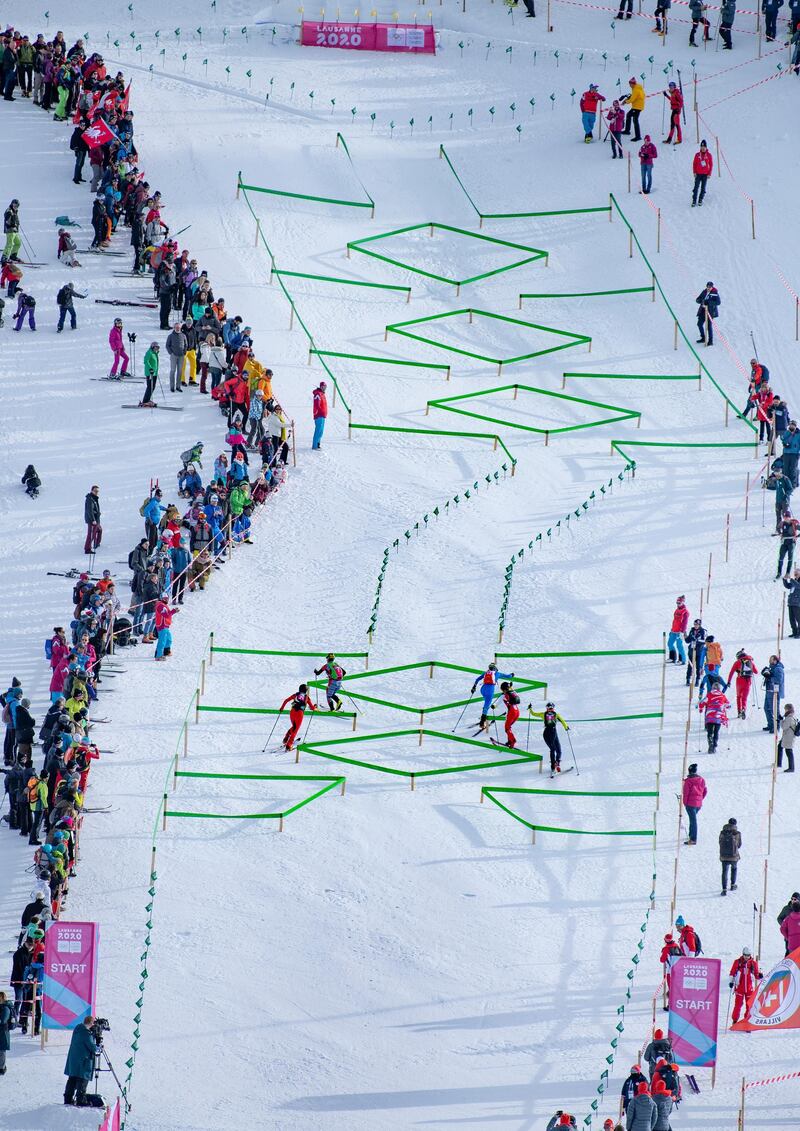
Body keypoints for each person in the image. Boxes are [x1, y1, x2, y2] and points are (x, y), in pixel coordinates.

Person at [64, 1015, 97, 1106]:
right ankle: (81, 1100)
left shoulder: (77, 1029)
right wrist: (97, 1046)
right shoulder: (86, 1034)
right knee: (82, 1080)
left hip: (74, 1060)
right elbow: (92, 1047)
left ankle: (68, 1098)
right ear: (90, 1023)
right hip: (83, 1061)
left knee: (72, 1079)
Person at [528, 701, 569, 773]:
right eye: (550, 708)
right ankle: (555, 765)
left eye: (550, 708)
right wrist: (566, 727)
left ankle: (555, 764)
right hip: (552, 732)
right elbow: (562, 721)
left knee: (557, 749)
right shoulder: (556, 715)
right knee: (555, 749)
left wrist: (530, 708)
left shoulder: (543, 714)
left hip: (547, 733)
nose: (550, 709)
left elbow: (533, 713)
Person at [470, 663, 513, 731]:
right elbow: (508, 676)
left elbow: (477, 679)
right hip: (490, 691)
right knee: (486, 706)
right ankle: (482, 722)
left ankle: (484, 711)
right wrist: (512, 674)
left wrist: (474, 687)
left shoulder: (486, 673)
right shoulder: (497, 673)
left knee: (486, 703)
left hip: (483, 689)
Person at [279, 684, 317, 752]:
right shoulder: (307, 697)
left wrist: (282, 708)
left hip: (292, 712)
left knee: (294, 727)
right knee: (295, 730)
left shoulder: (296, 695)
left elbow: (286, 700)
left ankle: (287, 736)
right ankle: (288, 745)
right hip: (299, 713)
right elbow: (312, 708)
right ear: (306, 691)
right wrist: (315, 707)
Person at [730, 947, 762, 1023]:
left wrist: (759, 975)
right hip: (739, 987)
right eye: (745, 955)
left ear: (750, 955)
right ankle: (735, 1020)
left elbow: (756, 975)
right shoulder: (737, 962)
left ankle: (747, 1021)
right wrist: (731, 982)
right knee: (738, 1005)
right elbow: (732, 973)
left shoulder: (753, 964)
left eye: (748, 955)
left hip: (749, 988)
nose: (746, 957)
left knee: (749, 1005)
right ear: (742, 954)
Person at [698, 680, 729, 752]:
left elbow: (702, 702)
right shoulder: (722, 695)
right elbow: (728, 704)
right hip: (718, 716)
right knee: (716, 732)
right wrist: (726, 706)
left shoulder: (709, 695)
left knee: (710, 731)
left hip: (710, 716)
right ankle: (714, 745)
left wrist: (701, 709)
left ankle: (710, 743)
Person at [727, 649, 756, 719]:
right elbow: (756, 672)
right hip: (747, 682)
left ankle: (739, 712)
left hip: (739, 681)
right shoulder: (750, 661)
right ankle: (743, 709)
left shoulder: (737, 662)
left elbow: (731, 672)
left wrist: (729, 682)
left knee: (738, 697)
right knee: (744, 698)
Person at [681, 764, 706, 845]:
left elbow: (686, 793)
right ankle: (691, 835)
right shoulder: (701, 779)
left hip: (690, 804)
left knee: (693, 820)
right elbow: (705, 791)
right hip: (698, 804)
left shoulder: (688, 781)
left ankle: (693, 839)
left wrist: (685, 803)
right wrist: (700, 799)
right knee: (692, 820)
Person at [762, 654, 784, 733]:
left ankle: (776, 727)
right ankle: (771, 724)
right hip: (769, 690)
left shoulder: (778, 669)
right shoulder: (772, 667)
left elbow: (778, 680)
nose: (770, 661)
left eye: (772, 660)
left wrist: (770, 677)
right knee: (766, 708)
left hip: (774, 691)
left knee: (774, 709)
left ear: (775, 660)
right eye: (770, 660)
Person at [719, 816, 741, 896]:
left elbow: (720, 842)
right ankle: (732, 885)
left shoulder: (722, 832)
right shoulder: (737, 833)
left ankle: (724, 889)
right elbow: (739, 845)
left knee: (724, 871)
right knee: (734, 869)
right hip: (733, 856)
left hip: (724, 855)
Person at [775, 510, 799, 578]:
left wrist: (796, 536)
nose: (785, 518)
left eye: (786, 517)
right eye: (784, 517)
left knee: (790, 558)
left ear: (789, 517)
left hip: (791, 542)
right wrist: (780, 533)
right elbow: (777, 528)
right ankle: (779, 573)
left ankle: (787, 573)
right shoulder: (782, 523)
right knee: (781, 558)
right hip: (784, 542)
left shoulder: (794, 524)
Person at [154, 594, 177, 661]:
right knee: (162, 640)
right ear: (161, 598)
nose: (166, 599)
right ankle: (158, 655)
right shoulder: (160, 605)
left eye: (167, 598)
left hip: (166, 625)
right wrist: (173, 611)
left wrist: (173, 611)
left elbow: (168, 614)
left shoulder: (164, 605)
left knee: (168, 639)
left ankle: (166, 651)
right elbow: (166, 615)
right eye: (164, 598)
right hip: (162, 625)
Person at [166, 321, 187, 393]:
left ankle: (178, 386)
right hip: (174, 355)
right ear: (174, 328)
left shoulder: (183, 335)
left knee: (180, 371)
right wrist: (171, 353)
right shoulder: (171, 336)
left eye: (179, 327)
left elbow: (186, 344)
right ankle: (172, 387)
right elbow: (167, 345)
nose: (178, 329)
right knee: (173, 371)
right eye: (176, 327)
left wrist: (184, 352)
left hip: (181, 356)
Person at [667, 595, 688, 663]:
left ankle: (682, 659)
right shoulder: (676, 610)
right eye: (677, 602)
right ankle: (672, 658)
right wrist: (671, 629)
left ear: (683, 602)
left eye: (679, 603)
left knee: (679, 645)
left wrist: (682, 632)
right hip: (674, 630)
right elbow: (675, 620)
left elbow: (685, 623)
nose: (678, 604)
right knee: (670, 643)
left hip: (680, 631)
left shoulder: (685, 612)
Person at [691, 140, 713, 207]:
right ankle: (694, 200)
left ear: (706, 147)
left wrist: (709, 174)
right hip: (698, 174)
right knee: (696, 187)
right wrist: (694, 172)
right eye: (702, 146)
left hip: (705, 175)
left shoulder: (709, 155)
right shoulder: (697, 155)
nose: (703, 148)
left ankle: (700, 199)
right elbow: (694, 164)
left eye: (704, 147)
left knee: (703, 188)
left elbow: (711, 164)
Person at [499, 682, 521, 747]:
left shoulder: (505, 695)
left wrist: (493, 706)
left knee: (507, 728)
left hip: (512, 712)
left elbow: (502, 700)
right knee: (509, 727)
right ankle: (510, 741)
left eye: (502, 690)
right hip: (517, 711)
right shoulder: (513, 692)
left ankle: (513, 741)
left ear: (504, 689)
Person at [685, 618, 706, 684]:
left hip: (698, 651)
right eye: (694, 624)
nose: (695, 625)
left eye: (697, 624)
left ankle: (697, 679)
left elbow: (704, 641)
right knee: (690, 665)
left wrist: (697, 640)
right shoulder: (692, 630)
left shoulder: (703, 631)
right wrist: (685, 637)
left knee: (698, 666)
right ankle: (688, 679)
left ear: (699, 625)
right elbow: (688, 641)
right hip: (691, 650)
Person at [781, 419, 800, 487]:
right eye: (791, 425)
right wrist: (789, 434)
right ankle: (786, 483)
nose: (792, 426)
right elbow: (783, 439)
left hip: (795, 453)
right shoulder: (786, 432)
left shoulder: (798, 434)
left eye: (793, 425)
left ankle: (793, 484)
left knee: (793, 469)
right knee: (785, 469)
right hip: (786, 453)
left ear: (795, 426)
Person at [778, 702, 796, 772]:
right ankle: (779, 763)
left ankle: (791, 768)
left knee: (789, 751)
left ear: (788, 710)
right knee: (780, 747)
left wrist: (781, 720)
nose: (784, 711)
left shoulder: (789, 718)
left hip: (789, 737)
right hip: (787, 737)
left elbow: (784, 727)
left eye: (785, 709)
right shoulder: (790, 717)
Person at [83, 485, 101, 555]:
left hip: (96, 519)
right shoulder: (90, 499)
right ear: (92, 491)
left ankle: (96, 543)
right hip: (92, 520)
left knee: (99, 530)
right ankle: (87, 549)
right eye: (95, 491)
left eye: (97, 491)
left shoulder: (94, 498)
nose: (96, 492)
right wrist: (93, 520)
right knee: (90, 534)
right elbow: (89, 510)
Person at [142, 341, 159, 407]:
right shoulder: (149, 352)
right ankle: (145, 401)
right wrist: (150, 368)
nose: (156, 349)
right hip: (150, 373)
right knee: (150, 387)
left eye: (157, 347)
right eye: (155, 347)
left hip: (154, 373)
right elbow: (145, 361)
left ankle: (147, 400)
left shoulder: (155, 353)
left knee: (153, 387)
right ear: (152, 347)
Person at [312, 381, 328, 450]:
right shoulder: (318, 394)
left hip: (323, 415)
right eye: (323, 387)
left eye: (325, 387)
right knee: (318, 430)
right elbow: (317, 404)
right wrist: (320, 411)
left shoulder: (322, 394)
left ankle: (318, 444)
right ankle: (315, 446)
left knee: (321, 431)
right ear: (320, 386)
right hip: (319, 415)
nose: (324, 388)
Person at [0, 990, 11, 1074]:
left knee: (2, 1050)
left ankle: (2, 1068)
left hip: (3, 1031)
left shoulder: (6, 1008)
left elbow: (3, 1020)